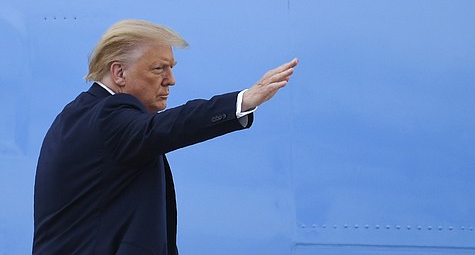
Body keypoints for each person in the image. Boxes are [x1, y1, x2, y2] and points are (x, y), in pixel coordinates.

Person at [32, 19, 297, 254]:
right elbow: (166, 127)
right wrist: (242, 101)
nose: (171, 80)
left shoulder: (77, 114)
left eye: (171, 68)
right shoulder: (108, 116)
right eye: (159, 69)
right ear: (119, 73)